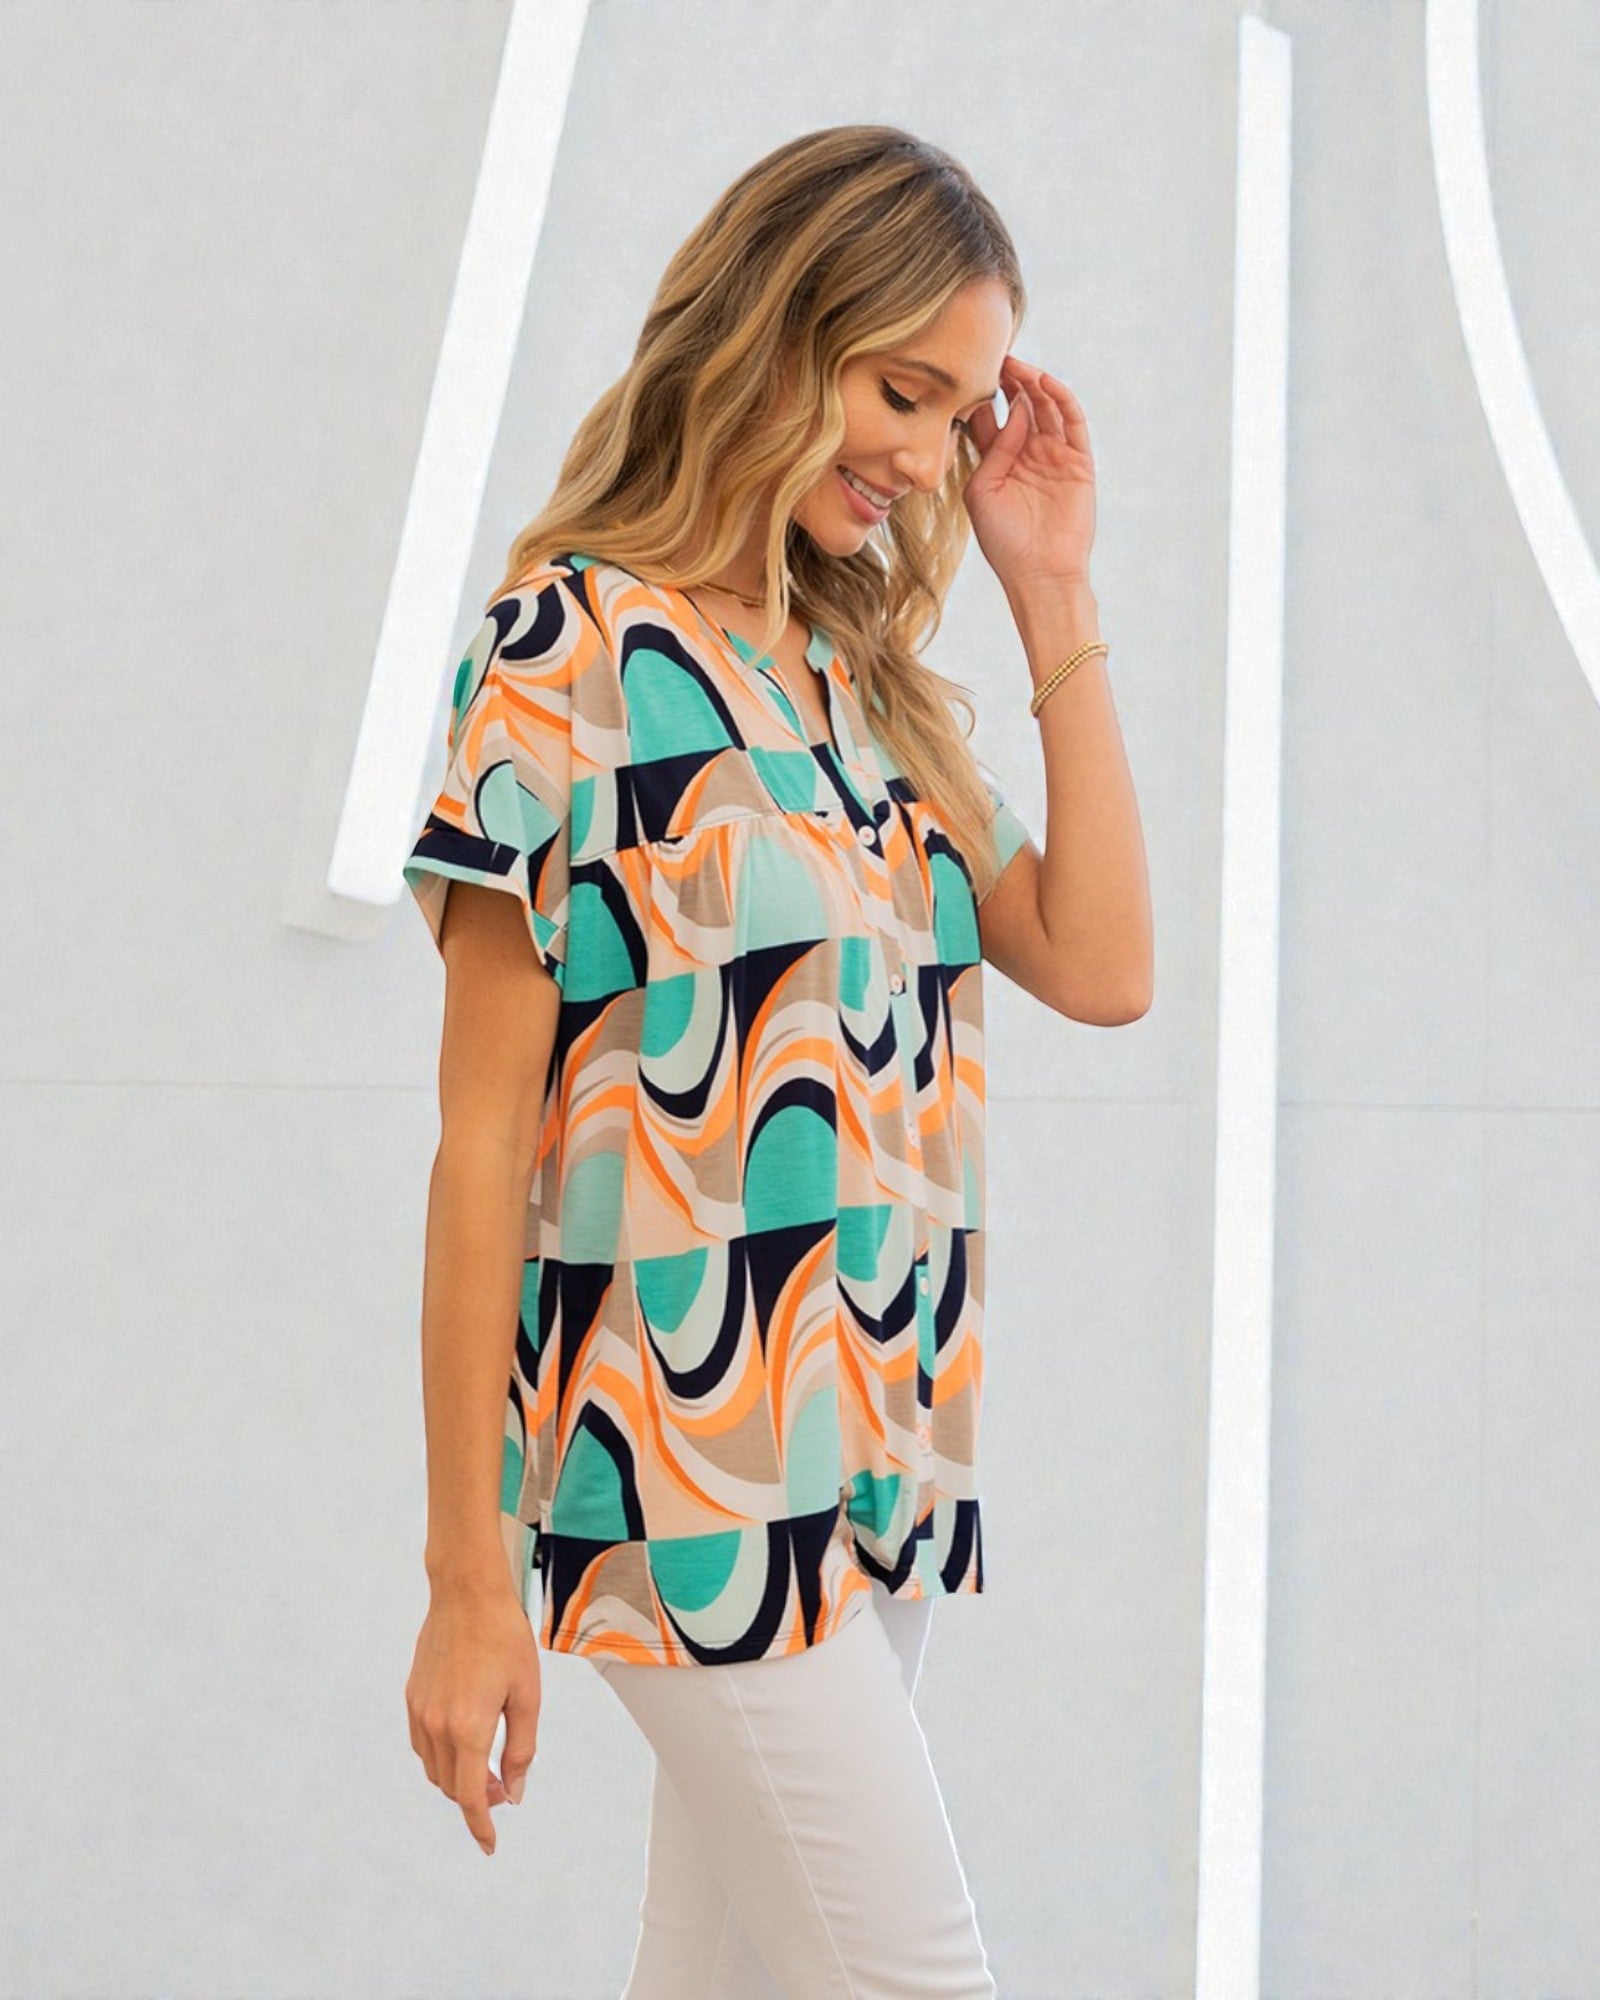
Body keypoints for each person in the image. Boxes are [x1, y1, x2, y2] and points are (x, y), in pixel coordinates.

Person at [401, 123, 1152, 2000]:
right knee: (920, 1977)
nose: (923, 451)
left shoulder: (860, 689)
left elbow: (1107, 965)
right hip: (684, 1464)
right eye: (903, 386)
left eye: (961, 410)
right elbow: (481, 1145)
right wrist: (466, 1579)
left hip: (868, 1467)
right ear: (777, 322)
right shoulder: (564, 649)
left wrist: (1050, 589)